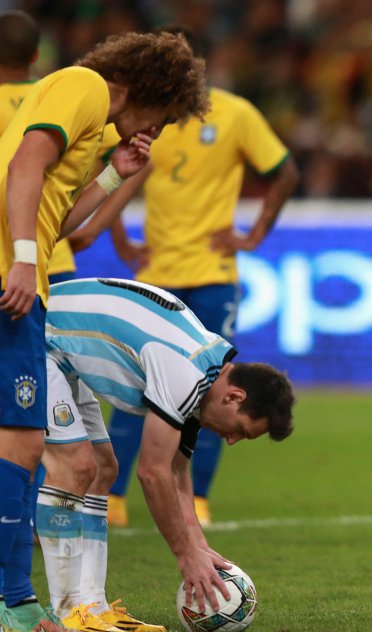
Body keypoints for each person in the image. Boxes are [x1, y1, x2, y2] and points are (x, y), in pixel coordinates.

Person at [0, 26, 209, 632]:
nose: (157, 131)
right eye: (164, 117)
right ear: (147, 88)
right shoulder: (84, 86)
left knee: (27, 449)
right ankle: (13, 605)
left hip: (25, 278)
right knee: (25, 450)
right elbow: (25, 162)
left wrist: (115, 175)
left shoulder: (94, 135)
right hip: (13, 280)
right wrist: (18, 259)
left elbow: (59, 224)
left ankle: (17, 604)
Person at [72, 26, 300, 530]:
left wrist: (253, 234)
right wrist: (119, 241)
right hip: (158, 275)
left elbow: (284, 171)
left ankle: (195, 497)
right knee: (140, 387)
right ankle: (113, 497)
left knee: (217, 393)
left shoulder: (237, 114)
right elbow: (132, 175)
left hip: (212, 272)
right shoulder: (157, 117)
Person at [39, 277, 295, 632]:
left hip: (60, 349)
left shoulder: (207, 369)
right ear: (234, 397)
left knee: (102, 469)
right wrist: (185, 555)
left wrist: (200, 546)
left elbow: (177, 472)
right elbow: (152, 473)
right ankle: (65, 611)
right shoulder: (186, 373)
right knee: (76, 466)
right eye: (241, 430)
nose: (233, 441)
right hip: (35, 336)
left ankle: (92, 606)